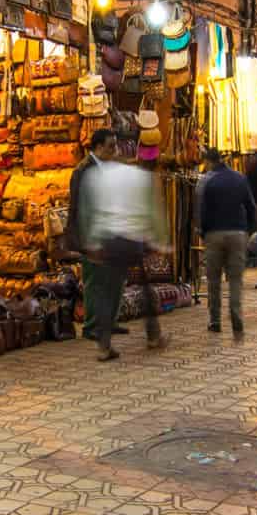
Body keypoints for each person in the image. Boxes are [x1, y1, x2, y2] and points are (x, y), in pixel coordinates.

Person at [83, 155, 172, 359]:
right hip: (133, 239)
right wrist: (160, 241)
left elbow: (91, 212)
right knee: (144, 286)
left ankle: (104, 346)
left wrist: (92, 242)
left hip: (109, 239)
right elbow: (153, 213)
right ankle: (153, 335)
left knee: (108, 291)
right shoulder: (142, 178)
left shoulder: (96, 175)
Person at [69, 130, 127, 341]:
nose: (115, 150)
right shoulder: (84, 170)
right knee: (95, 282)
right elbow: (81, 207)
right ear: (99, 147)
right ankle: (92, 326)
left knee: (115, 279)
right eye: (111, 146)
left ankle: (110, 321)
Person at [196, 149, 257, 340]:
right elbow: (250, 206)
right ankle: (236, 317)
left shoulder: (205, 180)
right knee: (235, 280)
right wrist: (248, 230)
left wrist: (203, 231)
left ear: (208, 161)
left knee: (214, 280)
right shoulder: (240, 179)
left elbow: (200, 211)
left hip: (214, 234)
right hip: (237, 233)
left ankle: (215, 321)